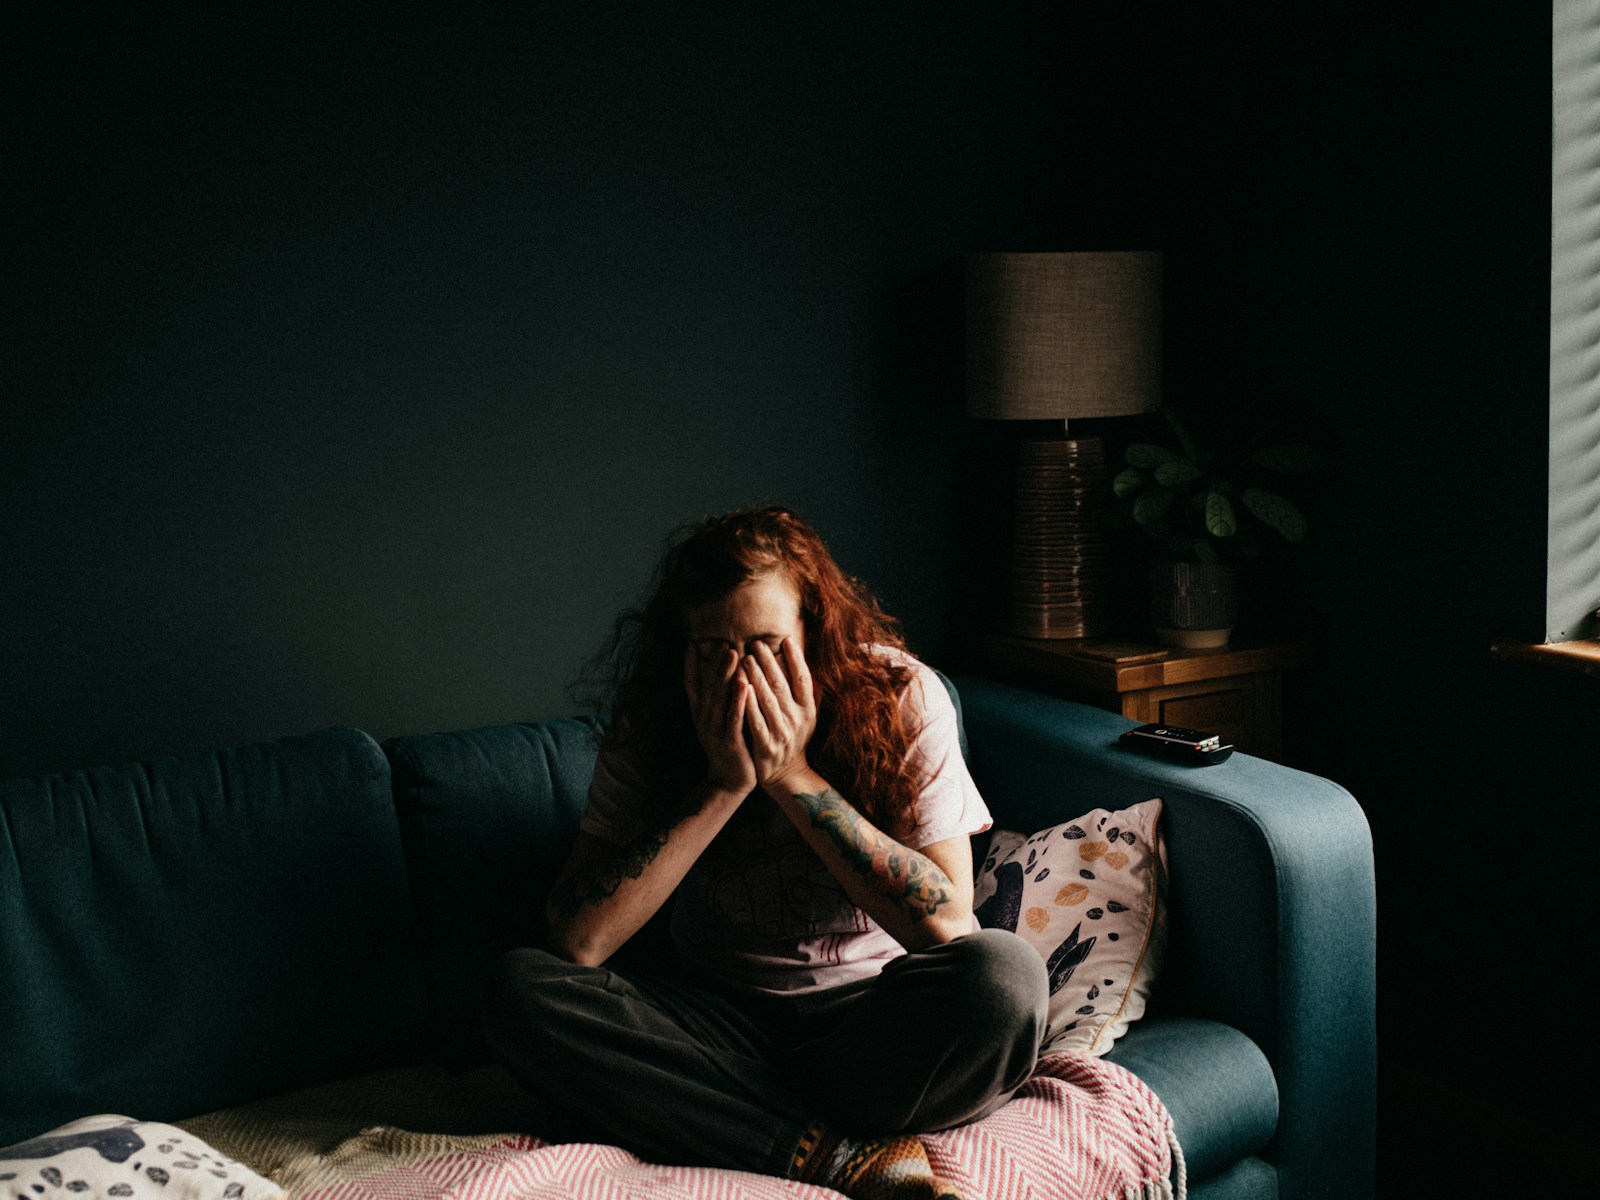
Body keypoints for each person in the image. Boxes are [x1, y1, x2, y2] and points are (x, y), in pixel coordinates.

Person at [482, 506, 1047, 1200]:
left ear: (814, 633)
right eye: (714, 651)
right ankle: (829, 1152)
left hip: (875, 1022)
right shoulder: (654, 720)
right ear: (681, 647)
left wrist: (793, 777)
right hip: (716, 1021)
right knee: (520, 989)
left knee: (1005, 978)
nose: (743, 679)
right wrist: (725, 784)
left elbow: (947, 926)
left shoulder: (902, 694)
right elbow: (577, 942)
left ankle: (734, 1120)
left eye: (767, 647)